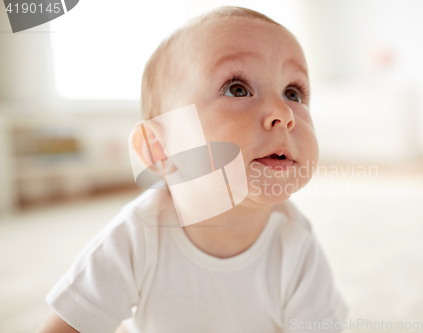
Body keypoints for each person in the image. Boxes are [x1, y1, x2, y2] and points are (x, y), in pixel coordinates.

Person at [36, 6, 348, 333]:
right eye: (237, 89)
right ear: (159, 150)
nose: (283, 113)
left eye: (293, 92)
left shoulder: (295, 244)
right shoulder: (136, 236)